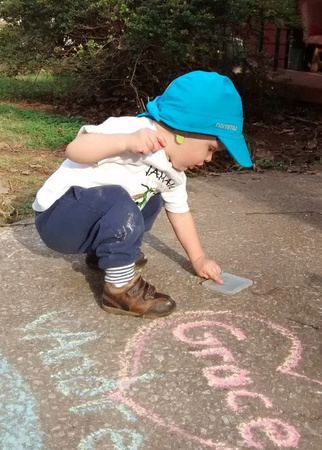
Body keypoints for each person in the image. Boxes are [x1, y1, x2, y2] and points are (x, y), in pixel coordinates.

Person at [32, 71, 253, 319]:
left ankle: (108, 255)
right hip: (58, 218)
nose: (208, 159)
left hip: (87, 223)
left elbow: (180, 213)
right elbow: (74, 149)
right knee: (119, 199)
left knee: (152, 198)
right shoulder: (132, 129)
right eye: (210, 148)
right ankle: (120, 290)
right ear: (184, 131)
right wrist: (125, 142)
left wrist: (199, 258)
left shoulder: (174, 174)